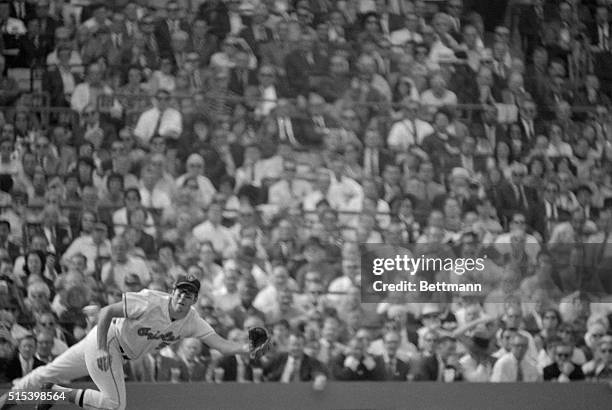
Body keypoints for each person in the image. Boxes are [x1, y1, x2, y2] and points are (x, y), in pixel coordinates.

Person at [0, 275, 265, 410]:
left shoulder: (193, 321)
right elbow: (106, 312)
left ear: (194, 300)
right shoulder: (150, 300)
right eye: (180, 291)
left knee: (50, 371)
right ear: (172, 292)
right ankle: (56, 393)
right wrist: (103, 347)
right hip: (109, 344)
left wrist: (246, 348)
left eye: (189, 294)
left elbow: (221, 344)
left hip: (108, 345)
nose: (183, 297)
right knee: (115, 405)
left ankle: (15, 397)